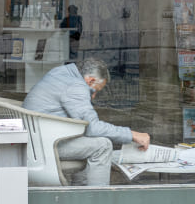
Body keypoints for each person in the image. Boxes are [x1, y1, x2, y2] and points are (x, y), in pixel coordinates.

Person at [22, 58, 151, 186]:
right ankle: (97, 200)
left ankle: (80, 190)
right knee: (103, 145)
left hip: (34, 140)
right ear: (91, 80)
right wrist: (132, 134)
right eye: (94, 91)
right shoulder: (76, 87)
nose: (93, 97)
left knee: (87, 138)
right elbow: (92, 128)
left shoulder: (59, 72)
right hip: (46, 145)